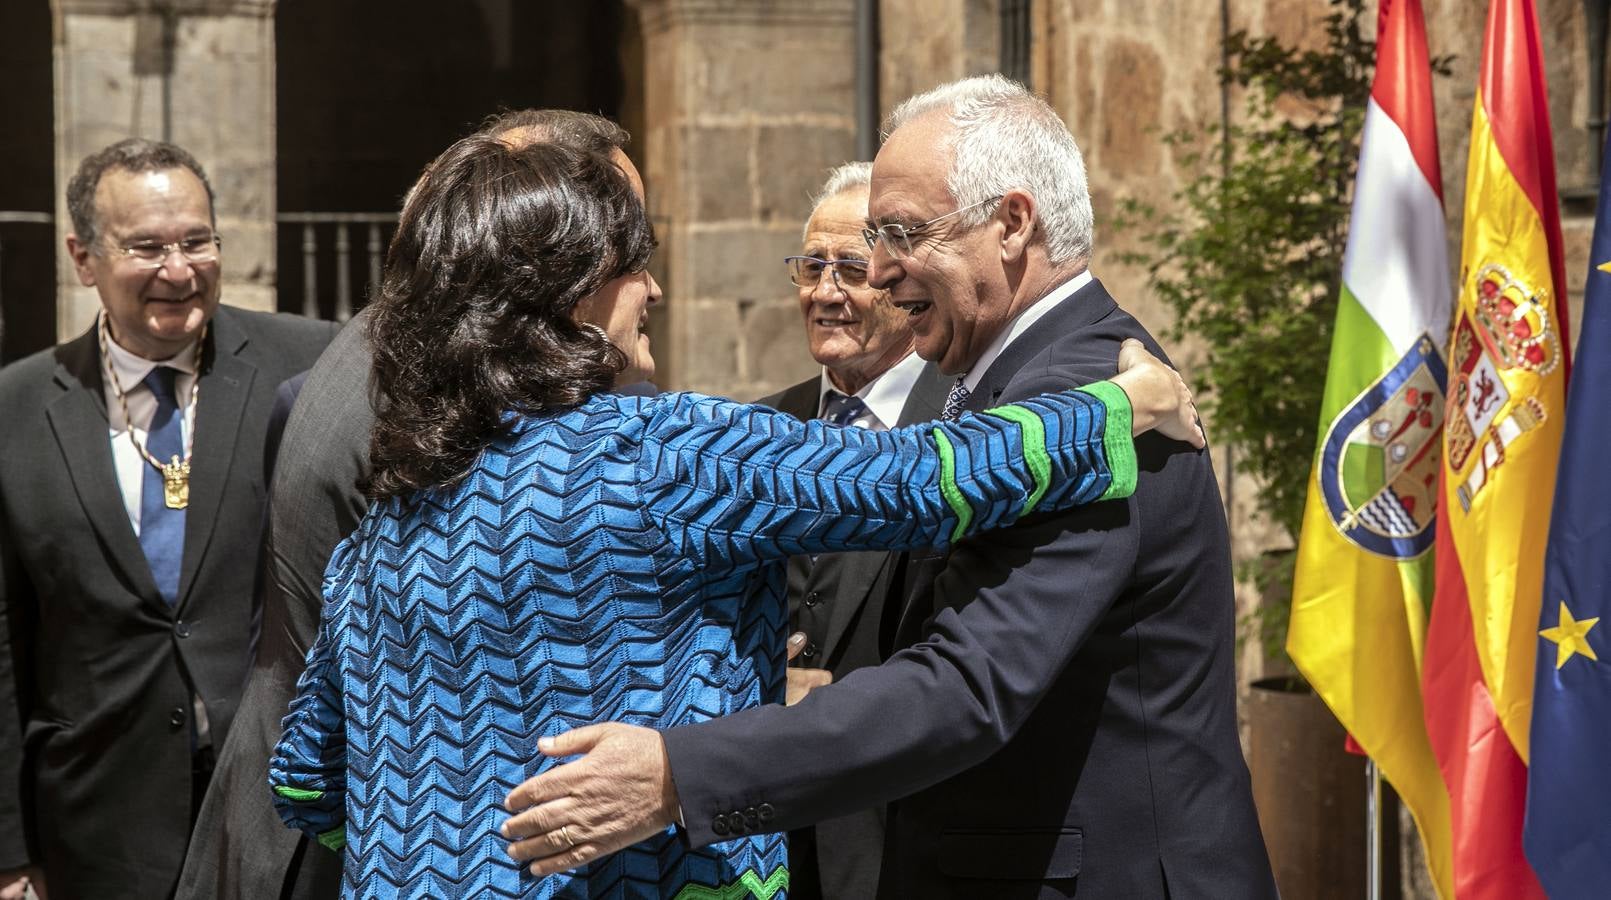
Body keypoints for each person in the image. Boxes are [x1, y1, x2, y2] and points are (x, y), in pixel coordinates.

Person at [267, 132, 1201, 898]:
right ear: (570, 290)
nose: (656, 291)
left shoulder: (385, 529)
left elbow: (307, 779)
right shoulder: (658, 453)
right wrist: (1123, 405)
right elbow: (926, 480)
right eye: (634, 265)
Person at [502, 74, 1278, 898]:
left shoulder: (1079, 387)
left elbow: (966, 687)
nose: (875, 272)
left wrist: (677, 773)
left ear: (1012, 223)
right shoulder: (1053, 389)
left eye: (901, 233)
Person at [175, 109, 642, 900]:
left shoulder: (388, 357)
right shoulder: (442, 403)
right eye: (619, 234)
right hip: (353, 828)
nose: (643, 270)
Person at [0, 138, 338, 900]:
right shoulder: (14, 410)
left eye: (197, 241)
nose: (179, 270)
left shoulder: (308, 364)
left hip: (279, 809)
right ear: (83, 258)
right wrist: (9, 851)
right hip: (96, 825)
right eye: (146, 246)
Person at [768, 161, 947, 900]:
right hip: (767, 834)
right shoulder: (759, 430)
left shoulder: (964, 431)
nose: (823, 292)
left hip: (904, 836)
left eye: (848, 268)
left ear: (898, 282)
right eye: (810, 266)